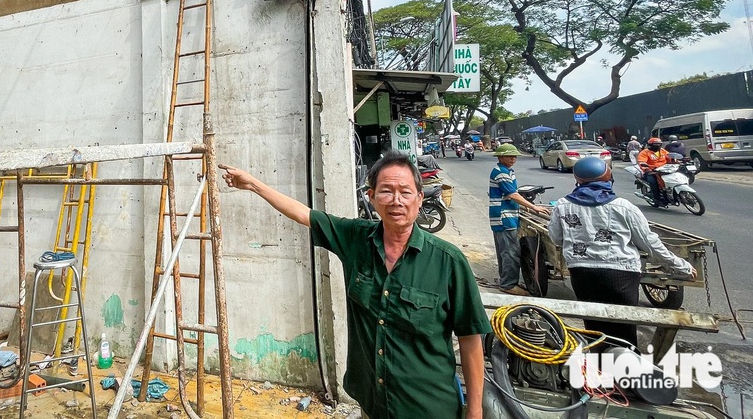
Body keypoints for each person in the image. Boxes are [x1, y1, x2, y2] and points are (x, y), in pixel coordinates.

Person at [220, 153, 490, 419]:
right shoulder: (356, 239)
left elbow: (470, 340)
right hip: (371, 403)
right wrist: (253, 184)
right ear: (372, 197)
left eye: (405, 192)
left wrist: (475, 411)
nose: (396, 200)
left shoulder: (448, 261)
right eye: (386, 191)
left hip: (427, 407)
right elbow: (306, 215)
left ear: (419, 199)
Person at [549, 157, 695, 349]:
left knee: (594, 328)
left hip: (582, 274)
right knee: (624, 331)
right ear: (608, 178)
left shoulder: (562, 205)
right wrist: (681, 266)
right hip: (621, 276)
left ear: (578, 179)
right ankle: (625, 373)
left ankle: (600, 371)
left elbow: (556, 238)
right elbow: (649, 244)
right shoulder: (623, 206)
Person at [489, 144, 550, 295]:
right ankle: (508, 284)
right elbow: (512, 194)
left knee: (505, 251)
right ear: (500, 157)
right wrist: (534, 207)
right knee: (510, 251)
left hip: (505, 215)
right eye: (510, 156)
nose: (513, 159)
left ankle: (506, 280)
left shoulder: (507, 171)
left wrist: (524, 206)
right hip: (504, 217)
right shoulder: (501, 173)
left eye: (514, 156)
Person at [637, 137, 670, 207]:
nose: (658, 146)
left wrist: (677, 160)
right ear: (650, 145)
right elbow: (641, 161)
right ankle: (656, 198)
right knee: (653, 182)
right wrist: (646, 168)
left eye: (659, 144)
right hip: (651, 171)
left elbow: (670, 157)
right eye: (656, 144)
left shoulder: (663, 151)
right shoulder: (644, 152)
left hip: (664, 170)